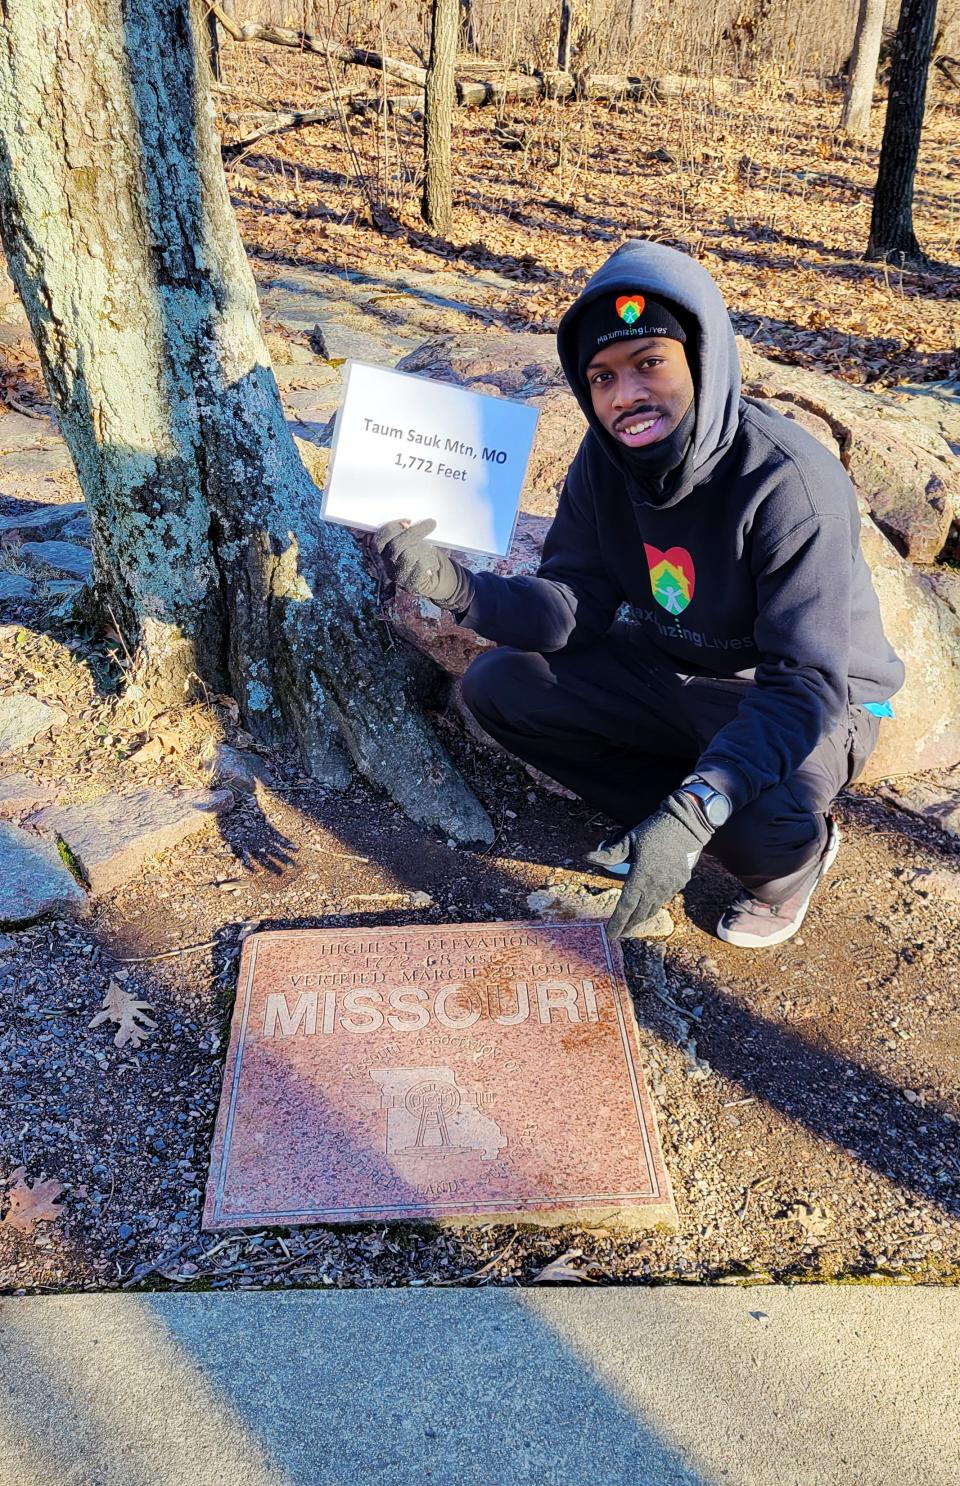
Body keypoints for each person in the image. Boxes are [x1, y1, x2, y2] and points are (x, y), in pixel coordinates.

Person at [373, 240, 904, 947]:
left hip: (798, 696)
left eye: (649, 362)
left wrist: (699, 808)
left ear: (703, 360)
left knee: (760, 818)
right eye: (601, 377)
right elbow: (572, 605)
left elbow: (804, 680)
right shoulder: (604, 462)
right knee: (499, 683)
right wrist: (459, 589)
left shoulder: (787, 482)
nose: (625, 397)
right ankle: (676, 809)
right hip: (669, 670)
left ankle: (789, 861)